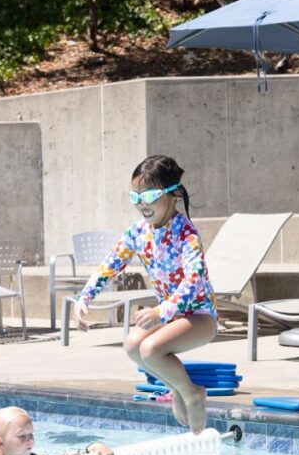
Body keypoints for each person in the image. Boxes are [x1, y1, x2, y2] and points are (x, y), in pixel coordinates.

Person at [73, 155, 217, 434]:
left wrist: (161, 311)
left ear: (172, 194)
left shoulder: (186, 233)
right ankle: (177, 387)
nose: (141, 204)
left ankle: (191, 393)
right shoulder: (138, 232)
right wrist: (84, 298)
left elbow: (193, 278)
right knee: (131, 345)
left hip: (199, 316)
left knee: (150, 349)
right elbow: (110, 264)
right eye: (134, 197)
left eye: (148, 195)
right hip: (169, 317)